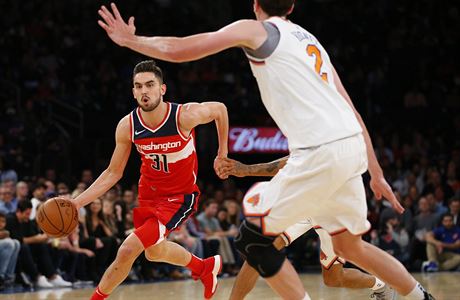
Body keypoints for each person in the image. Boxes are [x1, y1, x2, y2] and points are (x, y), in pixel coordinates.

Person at [97, 2, 434, 299]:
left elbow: (186, 48)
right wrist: (376, 173)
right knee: (350, 247)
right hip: (350, 149)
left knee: (254, 241)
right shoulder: (310, 41)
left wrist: (132, 41)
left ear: (256, 5)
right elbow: (352, 110)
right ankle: (420, 297)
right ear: (292, 7)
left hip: (318, 151)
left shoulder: (257, 29)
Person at [72, 60, 229, 299]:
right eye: (138, 86)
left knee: (127, 249)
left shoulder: (183, 116)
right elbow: (113, 173)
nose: (144, 91)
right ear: (133, 92)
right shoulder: (128, 126)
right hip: (149, 195)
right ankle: (204, 268)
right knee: (153, 253)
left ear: (162, 89)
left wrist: (222, 153)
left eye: (150, 85)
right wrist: (76, 203)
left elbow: (220, 109)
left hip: (179, 196)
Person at [218, 156, 394, 300]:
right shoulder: (309, 131)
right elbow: (293, 161)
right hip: (306, 203)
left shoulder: (335, 135)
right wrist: (247, 170)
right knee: (261, 247)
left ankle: (380, 285)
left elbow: (293, 162)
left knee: (333, 278)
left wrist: (248, 170)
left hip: (333, 210)